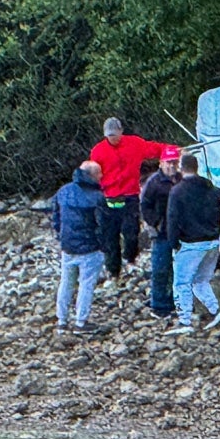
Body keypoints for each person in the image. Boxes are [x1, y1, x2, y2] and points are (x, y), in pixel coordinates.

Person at [89, 117, 174, 281]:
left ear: (121, 131)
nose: (112, 138)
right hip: (108, 199)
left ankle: (130, 258)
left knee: (132, 232)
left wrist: (174, 151)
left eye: (115, 134)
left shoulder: (134, 143)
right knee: (109, 237)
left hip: (129, 196)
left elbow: (155, 149)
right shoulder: (98, 151)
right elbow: (92, 174)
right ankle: (113, 271)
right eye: (109, 135)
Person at [164, 152, 220, 336]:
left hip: (190, 244)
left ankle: (184, 320)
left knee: (181, 283)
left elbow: (172, 219)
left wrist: (173, 243)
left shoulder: (177, 191)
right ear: (197, 167)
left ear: (180, 168)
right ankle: (216, 311)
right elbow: (219, 194)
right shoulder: (208, 185)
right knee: (201, 281)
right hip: (212, 241)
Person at [50, 160, 106, 334]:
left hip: (67, 247)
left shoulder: (63, 191)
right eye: (99, 173)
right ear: (91, 175)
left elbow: (56, 217)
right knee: (86, 285)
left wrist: (61, 235)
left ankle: (61, 320)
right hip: (89, 248)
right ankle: (81, 322)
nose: (102, 176)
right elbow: (103, 225)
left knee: (66, 283)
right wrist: (104, 244)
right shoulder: (97, 196)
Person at [139, 145, 183, 319]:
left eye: (174, 162)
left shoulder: (181, 179)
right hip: (162, 232)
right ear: (161, 163)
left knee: (180, 268)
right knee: (160, 268)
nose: (171, 166)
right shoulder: (154, 182)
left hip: (180, 231)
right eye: (168, 162)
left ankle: (176, 301)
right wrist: (156, 223)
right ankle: (159, 305)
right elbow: (144, 206)